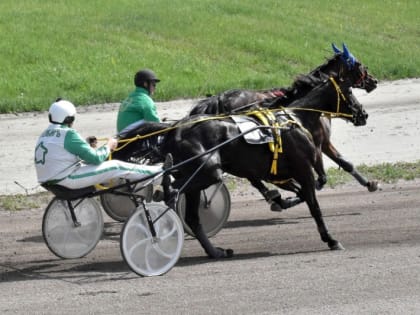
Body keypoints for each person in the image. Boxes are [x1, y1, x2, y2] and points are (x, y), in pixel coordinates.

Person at [34, 99, 174, 202]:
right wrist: (109, 145)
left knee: (106, 169)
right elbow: (95, 158)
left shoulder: (44, 134)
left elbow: (63, 153)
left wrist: (86, 145)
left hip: (50, 181)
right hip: (65, 180)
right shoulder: (68, 134)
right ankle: (160, 172)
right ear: (69, 118)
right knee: (116, 166)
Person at [116, 68, 161, 133]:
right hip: (131, 137)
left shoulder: (129, 97)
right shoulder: (145, 100)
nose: (155, 87)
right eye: (153, 85)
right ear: (145, 84)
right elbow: (155, 122)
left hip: (120, 135)